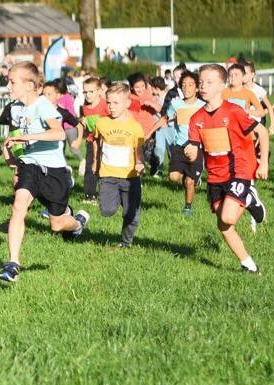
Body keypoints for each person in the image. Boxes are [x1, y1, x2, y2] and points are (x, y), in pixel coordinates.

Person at [0, 62, 90, 283]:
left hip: (54, 171)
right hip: (30, 166)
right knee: (18, 207)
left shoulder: (43, 106)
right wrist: (10, 153)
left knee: (57, 224)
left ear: (29, 85)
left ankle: (77, 223)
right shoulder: (16, 108)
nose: (8, 86)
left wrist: (27, 138)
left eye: (12, 82)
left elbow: (58, 134)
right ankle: (13, 263)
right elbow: (15, 136)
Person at [184, 64, 269, 273]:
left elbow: (263, 133)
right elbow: (195, 150)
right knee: (223, 225)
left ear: (222, 85)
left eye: (209, 82)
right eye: (201, 82)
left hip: (238, 171)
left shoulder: (233, 111)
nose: (203, 86)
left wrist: (264, 163)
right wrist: (190, 151)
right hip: (214, 177)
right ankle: (248, 264)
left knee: (228, 217)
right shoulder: (196, 119)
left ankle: (249, 197)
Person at [94, 85, 145, 249]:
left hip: (130, 178)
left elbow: (138, 149)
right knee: (107, 211)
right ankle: (115, 201)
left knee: (131, 216)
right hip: (108, 176)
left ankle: (125, 242)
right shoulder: (101, 123)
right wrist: (95, 161)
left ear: (127, 103)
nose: (111, 107)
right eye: (109, 103)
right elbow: (96, 141)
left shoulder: (135, 126)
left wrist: (139, 162)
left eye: (116, 103)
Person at [146, 71, 204, 215]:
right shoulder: (176, 104)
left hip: (196, 147)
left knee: (190, 182)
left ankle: (187, 208)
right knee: (173, 177)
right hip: (179, 146)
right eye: (183, 85)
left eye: (190, 85)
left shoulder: (203, 106)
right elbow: (165, 119)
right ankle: (188, 178)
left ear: (197, 88)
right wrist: (149, 132)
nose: (187, 88)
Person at [73, 78, 109, 203]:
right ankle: (90, 195)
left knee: (105, 167)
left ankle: (108, 194)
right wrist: (79, 135)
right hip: (91, 141)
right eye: (85, 92)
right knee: (90, 167)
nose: (88, 95)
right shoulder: (84, 107)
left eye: (91, 92)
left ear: (99, 91)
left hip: (107, 141)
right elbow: (84, 125)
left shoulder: (105, 104)